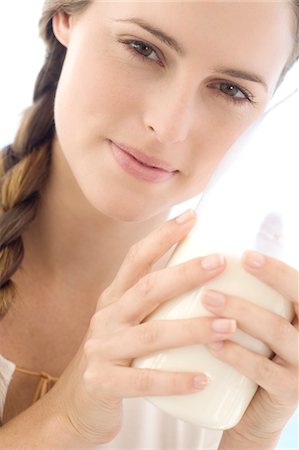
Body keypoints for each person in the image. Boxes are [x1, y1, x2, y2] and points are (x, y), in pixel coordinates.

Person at [0, 0, 298, 448]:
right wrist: (69, 419)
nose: (169, 125)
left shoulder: (229, 348)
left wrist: (250, 439)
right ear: (65, 15)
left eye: (231, 90)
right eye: (143, 48)